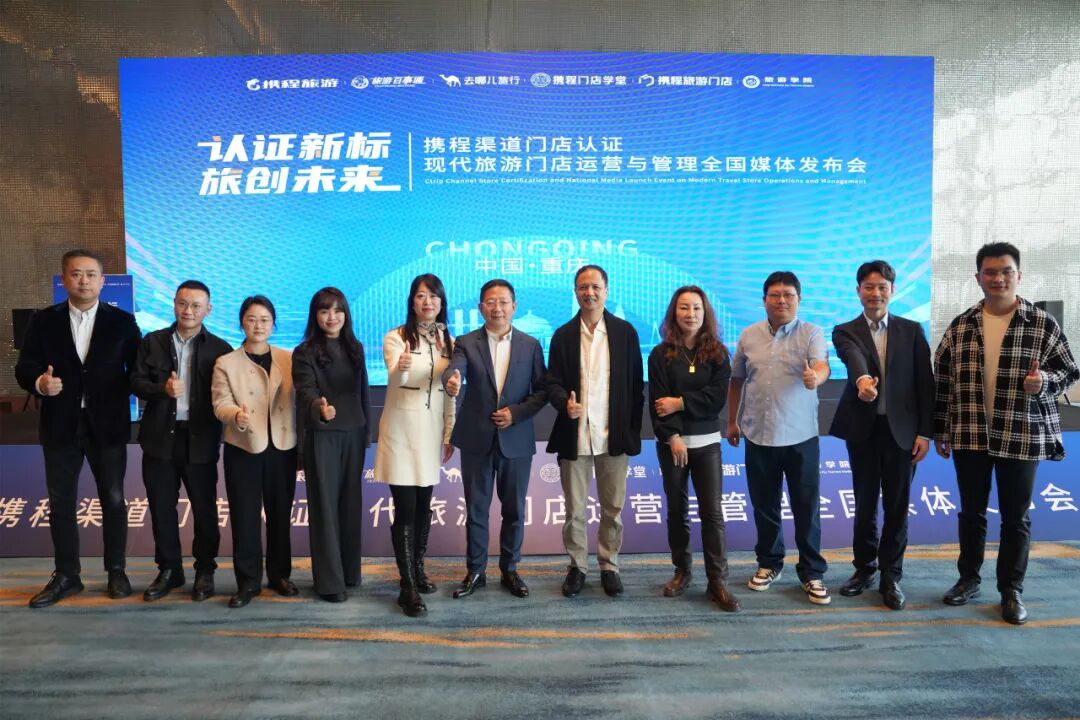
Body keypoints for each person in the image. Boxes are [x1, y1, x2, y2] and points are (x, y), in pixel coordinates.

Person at [934, 242, 1078, 625]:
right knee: (971, 512)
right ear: (978, 277)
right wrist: (940, 429)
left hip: (1020, 433)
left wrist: (1044, 382)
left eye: (1006, 271)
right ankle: (968, 579)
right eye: (990, 272)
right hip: (970, 433)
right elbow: (942, 380)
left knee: (1016, 518)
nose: (998, 278)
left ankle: (1011, 590)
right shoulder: (961, 326)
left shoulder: (1042, 323)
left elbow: (1068, 371)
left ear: (1019, 275)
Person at [16, 249, 141, 608]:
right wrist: (40, 383)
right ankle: (67, 575)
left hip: (108, 427)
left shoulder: (123, 322)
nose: (83, 281)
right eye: (76, 274)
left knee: (113, 500)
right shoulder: (44, 321)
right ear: (64, 279)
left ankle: (116, 571)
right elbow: (25, 367)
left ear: (103, 281)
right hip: (60, 425)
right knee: (61, 503)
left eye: (91, 274)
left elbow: (137, 370)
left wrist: (145, 388)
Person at [829, 261, 934, 611]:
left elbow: (925, 384)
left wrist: (925, 432)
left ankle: (892, 575)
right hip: (864, 432)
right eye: (869, 287)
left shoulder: (912, 330)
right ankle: (864, 569)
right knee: (864, 505)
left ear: (892, 290)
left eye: (882, 287)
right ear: (858, 290)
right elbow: (854, 357)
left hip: (903, 434)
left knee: (897, 507)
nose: (875, 293)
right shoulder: (845, 330)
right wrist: (862, 381)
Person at [727, 271, 832, 605]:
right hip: (758, 434)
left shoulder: (812, 333)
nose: (782, 301)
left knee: (806, 506)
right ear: (764, 300)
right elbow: (736, 379)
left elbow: (822, 365)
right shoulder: (749, 335)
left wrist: (815, 377)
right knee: (765, 505)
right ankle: (769, 563)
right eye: (775, 295)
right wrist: (732, 421)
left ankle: (812, 572)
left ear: (799, 299)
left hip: (800, 436)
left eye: (788, 295)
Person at [442, 279, 547, 599]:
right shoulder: (466, 342)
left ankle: (510, 569)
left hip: (516, 439)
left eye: (503, 302)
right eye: (490, 302)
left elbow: (542, 391)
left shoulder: (530, 344)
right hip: (477, 439)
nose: (497, 308)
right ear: (480, 307)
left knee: (514, 510)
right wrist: (451, 380)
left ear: (514, 306)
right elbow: (454, 370)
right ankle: (475, 571)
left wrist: (516, 413)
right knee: (476, 510)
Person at [546, 265, 644, 598]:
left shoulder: (625, 333)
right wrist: (564, 403)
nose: (589, 292)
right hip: (574, 437)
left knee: (612, 508)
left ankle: (609, 565)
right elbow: (552, 383)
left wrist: (631, 432)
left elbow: (636, 388)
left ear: (606, 290)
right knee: (574, 510)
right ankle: (577, 566)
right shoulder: (563, 335)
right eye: (583, 287)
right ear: (575, 292)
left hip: (613, 437)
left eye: (595, 287)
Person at [131, 280, 231, 602]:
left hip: (200, 438)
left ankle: (205, 570)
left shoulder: (220, 349)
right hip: (160, 437)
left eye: (196, 305)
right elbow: (135, 381)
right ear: (174, 304)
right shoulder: (153, 341)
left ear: (208, 309)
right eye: (183, 303)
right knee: (162, 508)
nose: (188, 311)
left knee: (204, 510)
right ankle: (169, 570)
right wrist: (162, 390)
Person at [648, 286, 740, 612]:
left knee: (712, 513)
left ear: (706, 313)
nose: (690, 314)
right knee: (677, 510)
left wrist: (680, 402)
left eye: (697, 308)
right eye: (684, 308)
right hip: (672, 444)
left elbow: (715, 400)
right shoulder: (660, 354)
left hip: (707, 444)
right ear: (674, 313)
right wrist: (672, 435)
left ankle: (718, 580)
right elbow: (657, 402)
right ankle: (682, 571)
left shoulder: (718, 353)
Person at [373, 274, 455, 617]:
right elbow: (397, 375)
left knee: (423, 507)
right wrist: (403, 367)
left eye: (433, 296)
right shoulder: (396, 337)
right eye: (421, 296)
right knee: (405, 509)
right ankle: (406, 586)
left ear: (441, 302)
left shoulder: (448, 340)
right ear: (412, 302)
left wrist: (448, 433)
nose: (427, 302)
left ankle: (418, 569)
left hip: (430, 434)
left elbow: (449, 391)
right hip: (402, 434)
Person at [211, 295, 298, 609]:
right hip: (244, 446)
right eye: (251, 319)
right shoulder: (226, 362)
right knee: (245, 516)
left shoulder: (289, 358)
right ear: (241, 323)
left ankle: (279, 575)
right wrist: (235, 415)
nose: (258, 325)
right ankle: (247, 582)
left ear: (273, 324)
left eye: (264, 320)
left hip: (282, 446)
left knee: (280, 514)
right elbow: (220, 402)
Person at [292, 287, 372, 603]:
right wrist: (319, 409)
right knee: (324, 508)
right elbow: (305, 392)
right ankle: (329, 583)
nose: (331, 317)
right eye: (324, 311)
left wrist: (366, 432)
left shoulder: (355, 347)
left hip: (354, 433)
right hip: (322, 434)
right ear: (315, 316)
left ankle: (350, 574)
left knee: (350, 506)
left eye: (337, 310)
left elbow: (363, 393)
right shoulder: (304, 351)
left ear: (345, 314)